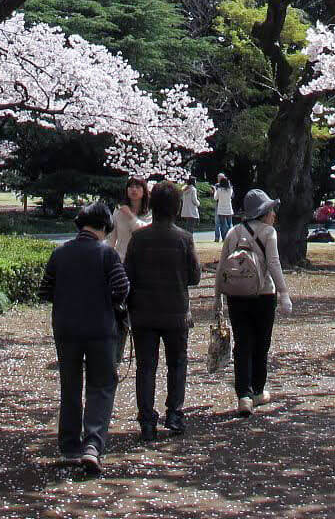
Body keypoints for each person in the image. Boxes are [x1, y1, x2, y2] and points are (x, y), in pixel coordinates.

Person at [39, 201, 130, 474]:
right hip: (100, 329)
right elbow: (122, 289)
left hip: (66, 329)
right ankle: (92, 445)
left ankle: (69, 445)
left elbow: (45, 292)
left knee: (70, 386)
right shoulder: (107, 254)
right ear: (104, 227)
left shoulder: (60, 253)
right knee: (101, 385)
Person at [123, 181, 201, 441]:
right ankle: (175, 414)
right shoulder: (184, 238)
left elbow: (127, 275)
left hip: (143, 313)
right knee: (177, 363)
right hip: (176, 312)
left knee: (146, 367)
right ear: (177, 207)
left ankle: (147, 421)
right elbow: (195, 277)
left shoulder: (139, 238)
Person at [215, 188, 292, 417]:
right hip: (263, 294)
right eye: (271, 210)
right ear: (264, 213)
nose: (274, 214)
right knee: (261, 344)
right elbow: (274, 264)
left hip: (235, 296)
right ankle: (257, 391)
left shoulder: (233, 232)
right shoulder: (269, 232)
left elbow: (221, 268)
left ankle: (243, 396)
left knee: (242, 344)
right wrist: (284, 293)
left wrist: (217, 298)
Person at [107, 176, 148, 261]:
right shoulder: (119, 211)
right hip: (121, 260)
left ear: (144, 190)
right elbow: (111, 238)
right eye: (131, 187)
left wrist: (130, 215)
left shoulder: (150, 212)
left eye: (137, 187)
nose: (134, 190)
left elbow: (144, 233)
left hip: (143, 260)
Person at [212, 173, 236, 241]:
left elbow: (215, 198)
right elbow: (231, 196)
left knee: (223, 224)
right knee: (230, 224)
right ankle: (231, 236)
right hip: (228, 208)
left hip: (221, 209)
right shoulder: (230, 190)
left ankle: (224, 238)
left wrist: (215, 190)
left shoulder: (219, 190)